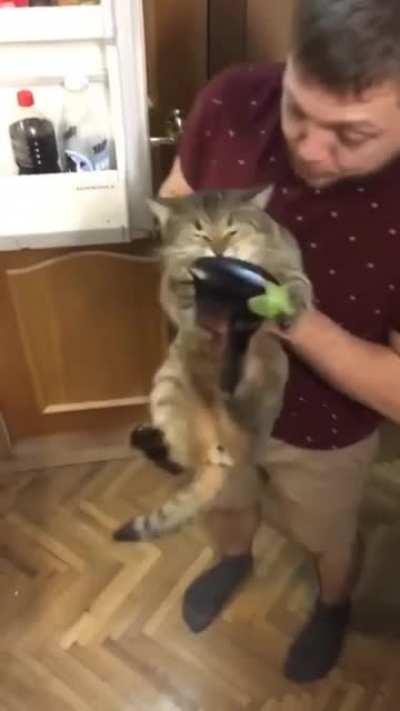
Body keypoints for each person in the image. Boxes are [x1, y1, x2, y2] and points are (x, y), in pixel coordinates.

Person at [158, 0, 400, 683]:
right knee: (223, 496)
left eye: (351, 135)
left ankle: (334, 601)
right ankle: (234, 558)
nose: (310, 150)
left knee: (327, 533)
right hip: (214, 391)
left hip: (326, 428)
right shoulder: (233, 98)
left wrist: (292, 318)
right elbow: (178, 199)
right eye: (298, 109)